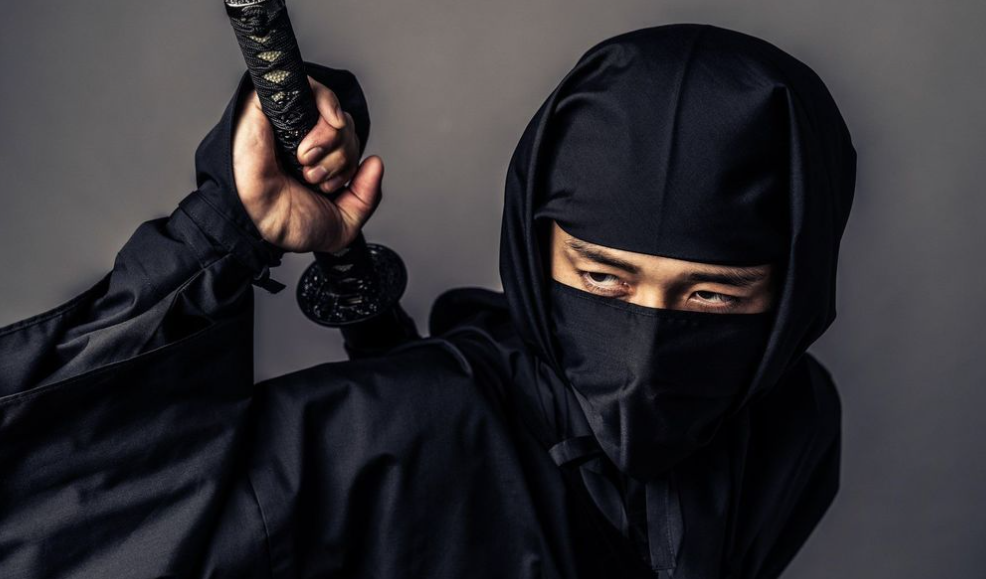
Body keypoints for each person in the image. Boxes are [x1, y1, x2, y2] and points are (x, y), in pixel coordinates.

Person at [0, 23, 856, 579]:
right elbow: (54, 515)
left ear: (790, 298)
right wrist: (221, 233)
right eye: (602, 278)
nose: (646, 360)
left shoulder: (796, 424)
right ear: (538, 254)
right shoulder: (398, 425)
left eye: (711, 295)